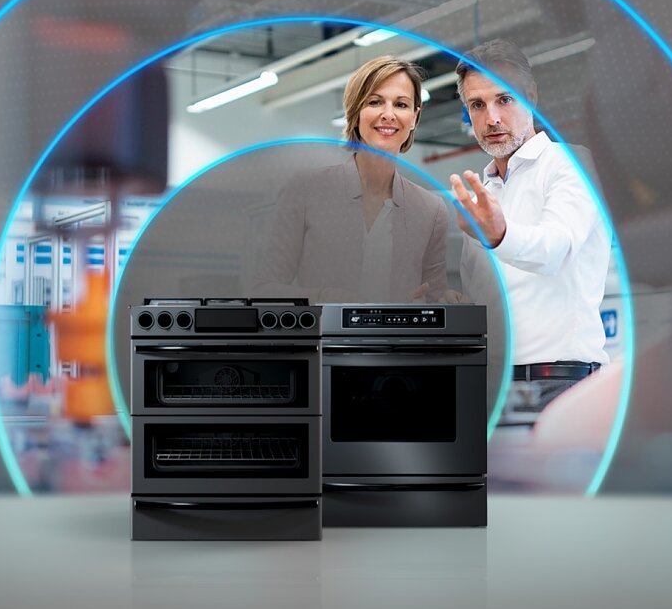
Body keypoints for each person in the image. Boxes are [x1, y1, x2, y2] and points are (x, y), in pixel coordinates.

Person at [448, 39, 611, 423]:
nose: (491, 119)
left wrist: (499, 236)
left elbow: (557, 247)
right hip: (490, 382)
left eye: (505, 100)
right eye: (477, 105)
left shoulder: (568, 164)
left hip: (559, 380)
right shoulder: (483, 195)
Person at [247, 56, 453, 303]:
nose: (389, 114)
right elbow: (263, 291)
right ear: (355, 112)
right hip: (324, 340)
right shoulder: (305, 191)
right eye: (375, 102)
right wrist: (325, 298)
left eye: (401, 104)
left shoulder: (431, 211)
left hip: (398, 342)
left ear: (415, 118)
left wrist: (443, 302)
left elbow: (435, 298)